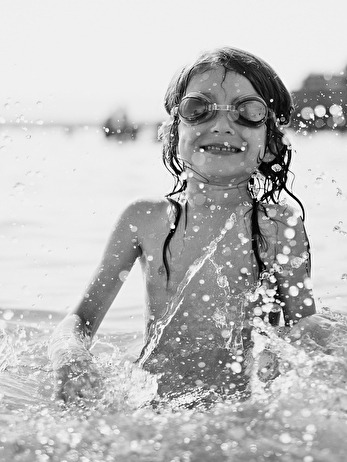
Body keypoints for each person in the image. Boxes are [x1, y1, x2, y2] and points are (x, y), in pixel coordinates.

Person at [48, 47, 330, 405]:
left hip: (241, 411)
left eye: (249, 112)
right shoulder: (144, 220)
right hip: (154, 406)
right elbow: (80, 321)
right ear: (172, 133)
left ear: (272, 143)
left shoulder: (278, 226)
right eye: (199, 108)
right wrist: (69, 354)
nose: (222, 125)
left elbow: (304, 330)